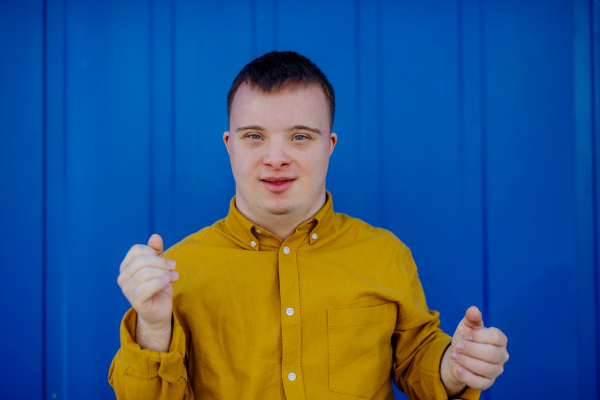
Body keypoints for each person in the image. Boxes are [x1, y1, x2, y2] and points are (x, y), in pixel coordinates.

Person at [109, 51, 508, 400]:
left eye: (300, 136)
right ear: (229, 145)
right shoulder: (178, 273)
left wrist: (456, 367)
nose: (276, 157)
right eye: (254, 137)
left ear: (329, 145)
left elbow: (418, 362)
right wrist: (154, 327)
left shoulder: (385, 255)